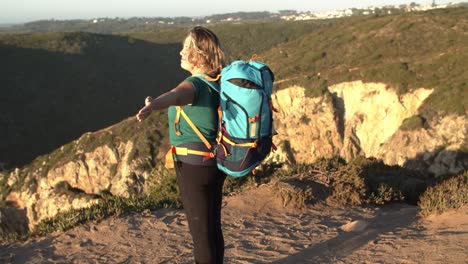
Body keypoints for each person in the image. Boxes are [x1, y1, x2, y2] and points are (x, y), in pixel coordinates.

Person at [136, 26, 227, 264]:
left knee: (200, 232)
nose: (180, 52)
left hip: (193, 166)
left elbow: (176, 96)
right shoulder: (217, 81)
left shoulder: (195, 84)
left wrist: (154, 105)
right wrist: (157, 103)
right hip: (214, 163)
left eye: (186, 48)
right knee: (211, 227)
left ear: (199, 54)